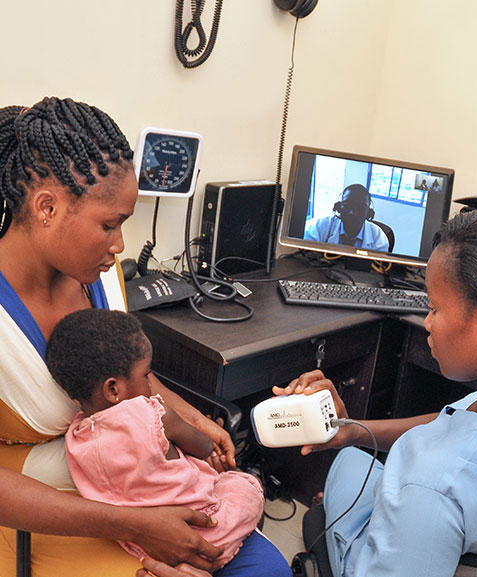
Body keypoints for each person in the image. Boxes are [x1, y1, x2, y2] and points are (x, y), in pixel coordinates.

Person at [0, 96, 290, 577]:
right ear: (46, 207)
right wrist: (137, 525)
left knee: (268, 569)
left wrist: (191, 417)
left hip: (135, 488)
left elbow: (127, 375)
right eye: (108, 225)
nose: (118, 246)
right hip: (45, 513)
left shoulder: (98, 272)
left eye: (124, 225)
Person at [275, 207, 477, 577]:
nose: (427, 323)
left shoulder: (429, 480)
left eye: (433, 307)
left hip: (399, 551)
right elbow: (456, 422)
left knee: (350, 466)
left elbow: (443, 457)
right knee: (354, 454)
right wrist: (352, 431)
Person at [46, 308, 265, 576]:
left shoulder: (77, 437)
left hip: (142, 544)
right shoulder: (153, 414)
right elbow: (204, 447)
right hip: (205, 528)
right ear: (113, 389)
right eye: (146, 375)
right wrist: (201, 434)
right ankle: (221, 555)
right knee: (246, 485)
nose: (150, 384)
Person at [304, 184, 391, 251]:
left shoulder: (378, 237)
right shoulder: (321, 226)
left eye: (361, 208)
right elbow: (304, 252)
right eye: (347, 205)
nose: (352, 213)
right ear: (338, 207)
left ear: (369, 213)